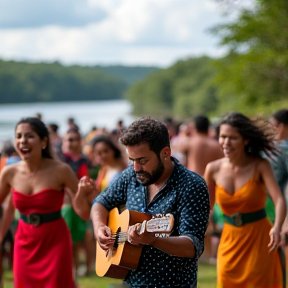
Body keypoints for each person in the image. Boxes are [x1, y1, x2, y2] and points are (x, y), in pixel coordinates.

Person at [78, 116, 210, 288]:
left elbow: (193, 246)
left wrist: (154, 240)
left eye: (142, 160)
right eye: (132, 160)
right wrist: (99, 228)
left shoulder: (192, 185)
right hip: (131, 283)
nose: (135, 168)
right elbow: (100, 202)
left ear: (165, 153)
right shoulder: (130, 176)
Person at [0, 117, 91, 288]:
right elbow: (8, 209)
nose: (22, 141)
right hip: (24, 242)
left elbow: (84, 213)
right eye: (18, 136)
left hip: (55, 241)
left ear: (43, 141)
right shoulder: (9, 172)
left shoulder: (61, 170)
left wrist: (82, 194)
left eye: (29, 136)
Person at [204, 112, 286, 288]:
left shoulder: (260, 165)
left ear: (246, 140)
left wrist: (277, 227)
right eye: (223, 137)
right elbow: (203, 204)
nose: (226, 142)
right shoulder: (213, 169)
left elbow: (279, 200)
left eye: (232, 138)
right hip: (229, 240)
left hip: (260, 239)